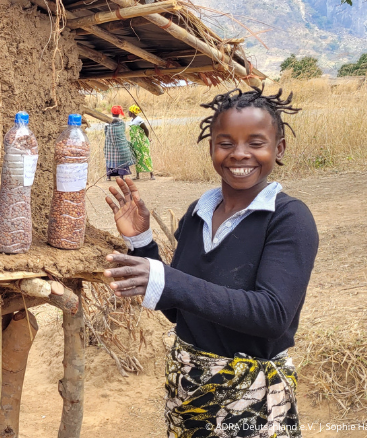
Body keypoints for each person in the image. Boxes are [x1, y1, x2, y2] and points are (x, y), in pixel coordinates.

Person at [101, 87, 319, 437]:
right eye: (226, 142)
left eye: (256, 142)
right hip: (189, 389)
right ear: (212, 148)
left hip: (251, 402)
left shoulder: (288, 219)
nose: (240, 154)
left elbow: (272, 315)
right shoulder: (199, 213)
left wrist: (170, 280)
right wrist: (141, 242)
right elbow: (181, 310)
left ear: (278, 149)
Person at [104, 105, 135, 180]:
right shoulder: (121, 122)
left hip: (110, 145)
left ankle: (109, 177)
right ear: (119, 113)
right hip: (120, 144)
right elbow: (122, 132)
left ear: (112, 113)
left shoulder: (107, 122)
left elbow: (105, 133)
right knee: (122, 157)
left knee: (110, 158)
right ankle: (121, 176)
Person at [127, 104, 154, 180]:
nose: (128, 113)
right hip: (135, 142)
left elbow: (146, 129)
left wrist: (147, 138)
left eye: (129, 111)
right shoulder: (132, 120)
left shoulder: (139, 120)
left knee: (146, 156)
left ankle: (152, 174)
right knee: (137, 157)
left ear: (132, 112)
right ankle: (137, 175)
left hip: (141, 142)